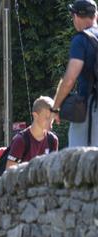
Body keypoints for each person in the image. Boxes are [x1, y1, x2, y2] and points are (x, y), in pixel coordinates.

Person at [52, 0, 98, 147]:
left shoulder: (81, 39)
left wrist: (56, 107)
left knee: (80, 160)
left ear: (76, 16)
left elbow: (70, 78)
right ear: (95, 15)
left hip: (91, 109)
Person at [5, 96, 59, 170]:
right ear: (35, 115)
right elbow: (9, 174)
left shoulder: (53, 140)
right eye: (47, 117)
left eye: (52, 118)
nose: (50, 122)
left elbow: (53, 170)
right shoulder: (20, 140)